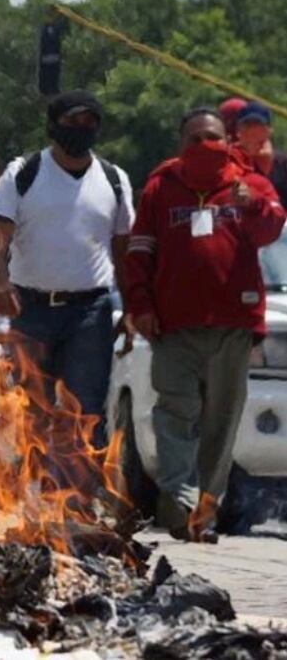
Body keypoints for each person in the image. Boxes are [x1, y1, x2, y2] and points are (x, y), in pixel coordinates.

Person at [125, 108, 286, 542]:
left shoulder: (249, 183)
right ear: (181, 144)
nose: (204, 146)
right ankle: (178, 504)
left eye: (212, 137)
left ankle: (204, 515)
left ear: (227, 140)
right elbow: (139, 251)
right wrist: (139, 305)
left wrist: (249, 205)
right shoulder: (161, 187)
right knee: (175, 416)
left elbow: (272, 229)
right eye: (195, 138)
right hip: (173, 329)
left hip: (232, 329)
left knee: (221, 423)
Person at [0, 90, 135, 454]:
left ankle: (76, 501)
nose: (81, 128)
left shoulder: (114, 179)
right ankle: (32, 495)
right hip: (29, 308)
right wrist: (0, 283)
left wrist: (132, 307)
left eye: (90, 122)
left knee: (84, 410)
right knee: (29, 407)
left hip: (90, 311)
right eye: (73, 121)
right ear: (53, 125)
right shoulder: (24, 173)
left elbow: (124, 250)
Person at [235, 101, 287, 204]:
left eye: (259, 124)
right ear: (239, 131)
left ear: (269, 131)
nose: (253, 131)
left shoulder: (283, 163)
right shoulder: (232, 161)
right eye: (248, 125)